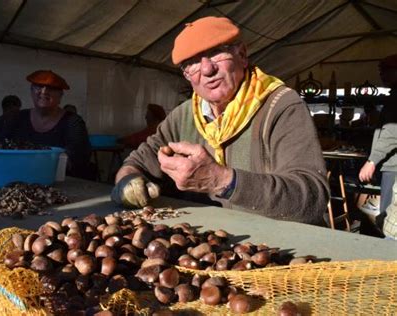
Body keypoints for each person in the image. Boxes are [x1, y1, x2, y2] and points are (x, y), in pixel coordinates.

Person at [111, 16, 329, 224]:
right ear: (186, 75)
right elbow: (135, 163)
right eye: (192, 63)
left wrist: (221, 180)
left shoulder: (280, 106)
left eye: (216, 53)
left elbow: (311, 198)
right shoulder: (184, 115)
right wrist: (128, 183)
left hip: (282, 247)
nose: (207, 69)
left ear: (242, 55)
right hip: (210, 247)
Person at [10, 70, 93, 179]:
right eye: (38, 86)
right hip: (17, 180)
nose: (44, 91)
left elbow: (77, 159)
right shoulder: (17, 118)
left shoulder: (73, 122)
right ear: (31, 91)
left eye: (51, 88)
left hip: (61, 185)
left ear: (60, 95)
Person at [359, 54, 397, 228]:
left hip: (394, 167)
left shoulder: (395, 99)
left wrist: (372, 160)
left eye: (386, 71)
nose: (382, 75)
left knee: (390, 219)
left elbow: (392, 132)